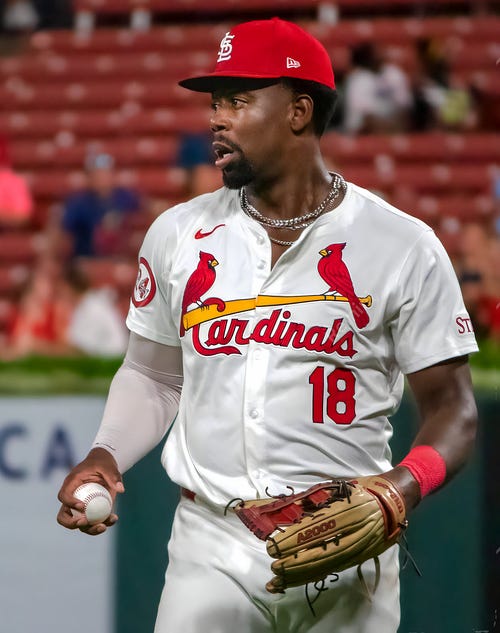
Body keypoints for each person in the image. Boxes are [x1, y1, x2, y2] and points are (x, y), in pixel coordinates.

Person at [56, 18, 479, 633]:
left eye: (238, 100)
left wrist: (403, 487)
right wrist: (106, 452)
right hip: (212, 541)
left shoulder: (403, 246)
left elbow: (455, 410)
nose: (216, 119)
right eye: (215, 102)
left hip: (347, 550)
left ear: (298, 111)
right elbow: (153, 375)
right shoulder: (178, 234)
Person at [61, 153, 142, 258]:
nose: (102, 178)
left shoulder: (125, 196)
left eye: (106, 173)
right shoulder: (78, 202)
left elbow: (147, 210)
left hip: (121, 257)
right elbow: (65, 234)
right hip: (88, 258)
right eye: (98, 174)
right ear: (89, 177)